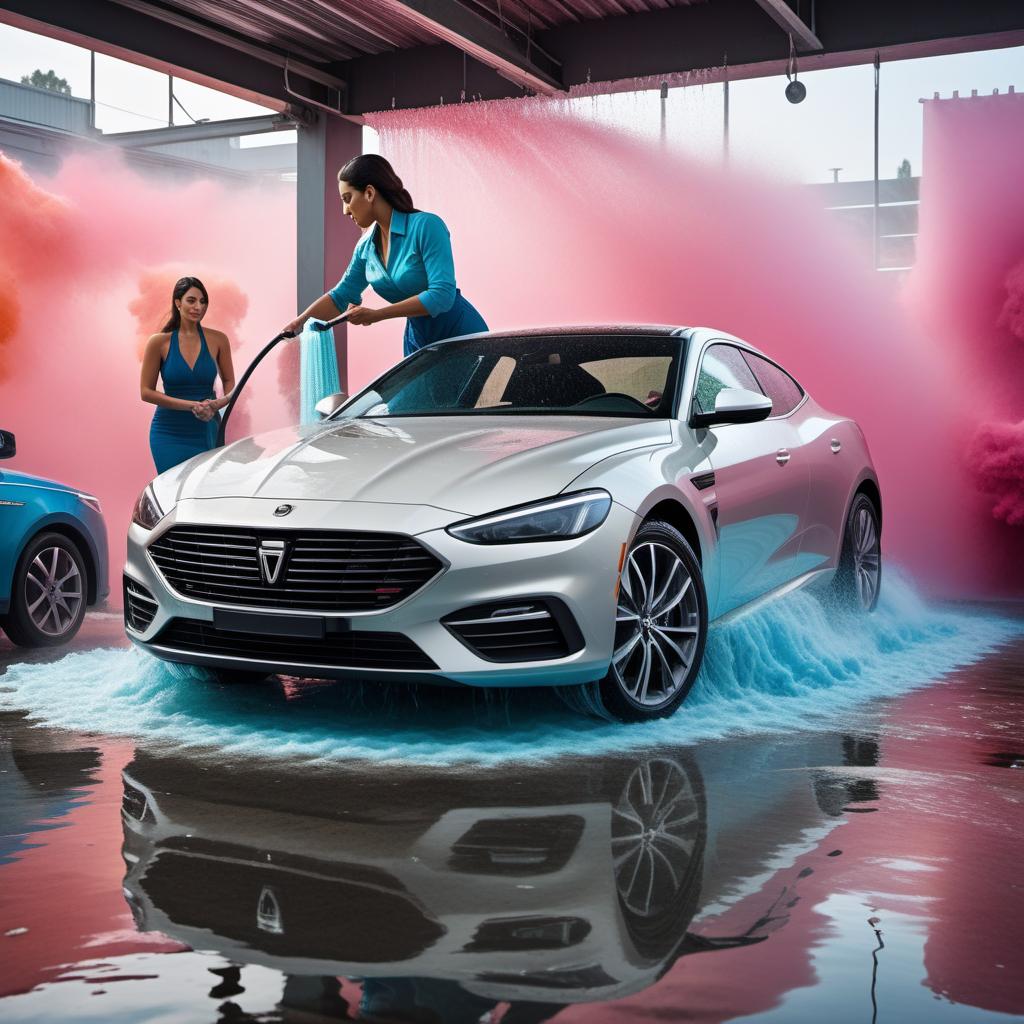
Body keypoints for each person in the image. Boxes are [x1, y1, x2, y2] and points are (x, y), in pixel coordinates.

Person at [283, 155, 487, 356]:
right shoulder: (365, 247)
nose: (345, 210)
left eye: (347, 199)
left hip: (462, 336)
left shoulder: (426, 226)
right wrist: (299, 323)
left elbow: (442, 295)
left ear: (369, 193)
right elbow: (341, 296)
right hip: (419, 343)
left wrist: (377, 315)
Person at [141, 276, 236, 474]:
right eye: (191, 301)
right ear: (178, 303)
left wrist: (219, 403)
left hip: (206, 429)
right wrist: (192, 405)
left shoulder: (218, 340)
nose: (198, 307)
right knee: (172, 492)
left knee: (203, 489)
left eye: (203, 302)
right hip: (168, 433)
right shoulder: (159, 342)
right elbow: (146, 392)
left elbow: (230, 382)